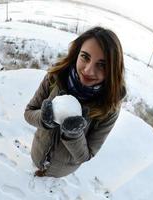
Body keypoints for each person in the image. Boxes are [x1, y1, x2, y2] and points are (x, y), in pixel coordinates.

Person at [24, 26, 126, 178]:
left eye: (102, 65)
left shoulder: (108, 108)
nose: (88, 70)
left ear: (113, 70)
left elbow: (86, 155)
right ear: (76, 54)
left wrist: (74, 135)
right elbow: (29, 112)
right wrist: (44, 120)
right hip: (37, 152)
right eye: (85, 57)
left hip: (61, 170)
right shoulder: (54, 78)